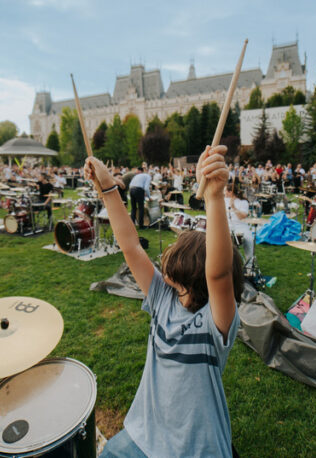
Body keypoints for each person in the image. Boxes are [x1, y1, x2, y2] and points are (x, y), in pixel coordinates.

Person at [86, 146, 243, 458]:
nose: (169, 251)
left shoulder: (216, 322)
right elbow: (130, 246)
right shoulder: (162, 297)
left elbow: (219, 275)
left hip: (198, 449)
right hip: (145, 435)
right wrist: (107, 187)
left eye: (178, 248)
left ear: (189, 269)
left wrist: (214, 198)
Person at [226, 185, 254, 269]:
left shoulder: (243, 202)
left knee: (249, 239)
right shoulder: (223, 200)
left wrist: (234, 207)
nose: (224, 193)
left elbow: (242, 216)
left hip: (241, 226)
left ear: (231, 192)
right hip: (227, 226)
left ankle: (249, 266)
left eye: (226, 191)